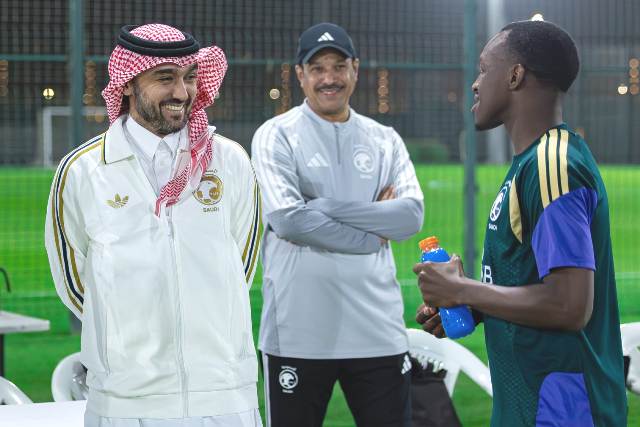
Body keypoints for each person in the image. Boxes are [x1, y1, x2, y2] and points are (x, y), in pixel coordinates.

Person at [44, 24, 262, 427]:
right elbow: (74, 283)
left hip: (225, 394)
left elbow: (240, 268)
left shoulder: (230, 161)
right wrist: (121, 334)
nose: (182, 92)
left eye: (189, 77)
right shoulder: (83, 170)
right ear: (127, 83)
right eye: (165, 78)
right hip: (126, 402)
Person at [414, 20, 627, 426]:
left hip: (562, 411)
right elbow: (533, 283)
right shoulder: (534, 163)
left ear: (515, 75)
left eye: (483, 69)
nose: (475, 83)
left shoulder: (553, 165)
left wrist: (463, 289)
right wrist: (473, 303)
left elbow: (570, 306)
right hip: (532, 406)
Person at [251, 22, 424, 427]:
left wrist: (325, 206)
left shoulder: (384, 138)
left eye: (339, 67)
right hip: (297, 332)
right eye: (317, 68)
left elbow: (410, 216)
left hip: (378, 330)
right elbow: (288, 220)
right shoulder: (276, 135)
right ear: (300, 75)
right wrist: (371, 237)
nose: (329, 78)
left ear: (355, 70)